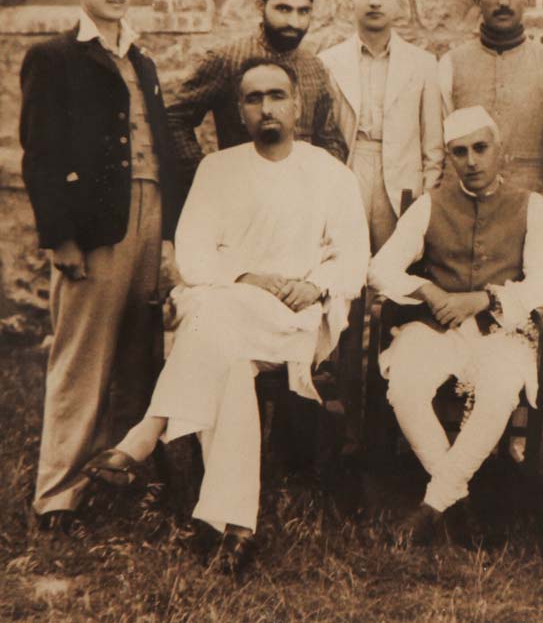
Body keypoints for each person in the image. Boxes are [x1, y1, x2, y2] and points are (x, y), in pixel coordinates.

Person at [81, 59, 369, 571]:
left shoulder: (330, 173)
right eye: (254, 99)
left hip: (296, 320)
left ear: (297, 104)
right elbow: (193, 254)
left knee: (213, 320)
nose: (267, 108)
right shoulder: (218, 169)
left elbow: (353, 258)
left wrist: (313, 285)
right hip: (228, 310)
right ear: (239, 110)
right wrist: (247, 278)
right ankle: (235, 527)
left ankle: (149, 430)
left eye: (277, 96)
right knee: (231, 367)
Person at [20, 0, 182, 532]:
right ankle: (58, 494)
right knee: (82, 356)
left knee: (142, 354)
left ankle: (121, 475)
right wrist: (61, 237)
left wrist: (169, 234)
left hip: (151, 210)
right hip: (94, 227)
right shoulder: (55, 57)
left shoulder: (142, 59)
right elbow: (40, 153)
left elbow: (159, 146)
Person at [368, 106, 543, 544]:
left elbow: (542, 284)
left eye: (480, 148)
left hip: (500, 330)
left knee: (500, 389)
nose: (471, 161)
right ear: (449, 158)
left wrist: (486, 298)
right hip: (437, 329)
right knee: (406, 386)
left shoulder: (532, 206)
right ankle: (460, 500)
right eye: (460, 152)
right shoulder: (430, 204)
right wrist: (428, 292)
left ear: (499, 150)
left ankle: (434, 506)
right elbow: (381, 268)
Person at [166, 0, 347, 196]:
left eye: (303, 11)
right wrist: (205, 176)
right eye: (283, 9)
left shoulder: (314, 67)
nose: (294, 21)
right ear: (260, 7)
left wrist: (320, 185)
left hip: (301, 203)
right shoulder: (227, 58)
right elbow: (175, 118)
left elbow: (330, 138)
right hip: (241, 199)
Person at [319, 0, 444, 251]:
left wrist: (426, 197)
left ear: (397, 1)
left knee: (395, 270)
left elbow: (433, 147)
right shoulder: (328, 62)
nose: (375, 1)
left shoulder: (423, 64)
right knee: (346, 264)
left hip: (402, 177)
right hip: (351, 170)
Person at [438, 0, 543, 198]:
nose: (504, 1)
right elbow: (442, 147)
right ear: (478, 1)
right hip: (464, 209)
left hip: (529, 202)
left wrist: (540, 199)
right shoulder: (451, 64)